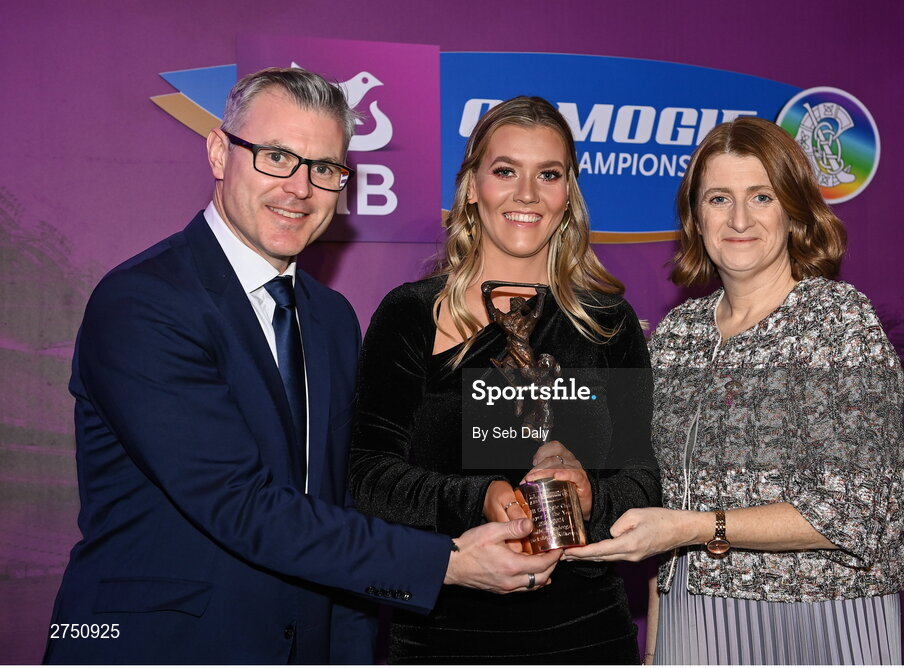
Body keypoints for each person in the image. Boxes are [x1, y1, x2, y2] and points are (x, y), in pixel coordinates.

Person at [44, 68, 561, 665]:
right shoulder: (143, 303)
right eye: (276, 157)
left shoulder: (331, 317)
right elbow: (239, 502)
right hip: (162, 644)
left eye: (324, 168)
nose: (300, 188)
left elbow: (336, 500)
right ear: (219, 152)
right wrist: (447, 562)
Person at [565, 116, 904, 664]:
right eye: (719, 198)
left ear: (793, 210)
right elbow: (665, 508)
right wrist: (656, 648)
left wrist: (695, 527)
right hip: (692, 619)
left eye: (761, 197)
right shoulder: (679, 335)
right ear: (695, 217)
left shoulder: (837, 320)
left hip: (817, 620)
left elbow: (856, 510)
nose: (740, 218)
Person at [348, 96, 661, 663]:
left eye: (549, 174)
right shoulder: (412, 315)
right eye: (505, 171)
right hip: (442, 635)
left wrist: (591, 495)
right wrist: (480, 499)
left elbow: (644, 482)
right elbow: (367, 476)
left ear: (568, 195)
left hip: (588, 634)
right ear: (472, 187)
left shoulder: (609, 323)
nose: (526, 194)